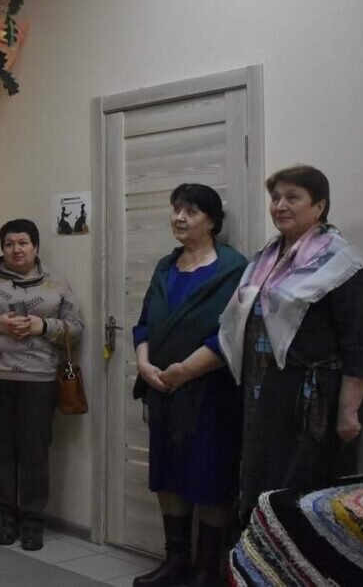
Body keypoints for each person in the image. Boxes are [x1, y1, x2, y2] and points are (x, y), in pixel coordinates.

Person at [219, 165, 363, 527]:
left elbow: (362, 343)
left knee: (302, 493)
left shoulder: (344, 263)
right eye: (276, 197)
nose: (280, 205)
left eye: (292, 197)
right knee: (259, 482)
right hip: (263, 393)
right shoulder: (266, 258)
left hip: (312, 402)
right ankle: (260, 557)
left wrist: (349, 411)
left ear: (319, 206)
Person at [130, 185, 247, 587]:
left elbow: (233, 334)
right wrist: (144, 364)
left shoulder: (234, 269)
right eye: (176, 209)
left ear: (212, 222)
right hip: (162, 390)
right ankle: (175, 562)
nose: (179, 218)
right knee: (167, 473)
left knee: (210, 474)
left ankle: (206, 570)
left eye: (191, 212)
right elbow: (144, 323)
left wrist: (185, 371)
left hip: (210, 392)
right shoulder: (165, 267)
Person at [0, 218, 83, 551]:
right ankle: (7, 518)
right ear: (2, 248)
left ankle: (32, 521)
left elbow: (76, 328)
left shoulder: (57, 284)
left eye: (23, 243)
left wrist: (43, 327)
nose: (16, 249)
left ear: (35, 247)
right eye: (10, 244)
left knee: (34, 452)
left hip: (39, 379)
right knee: (0, 450)